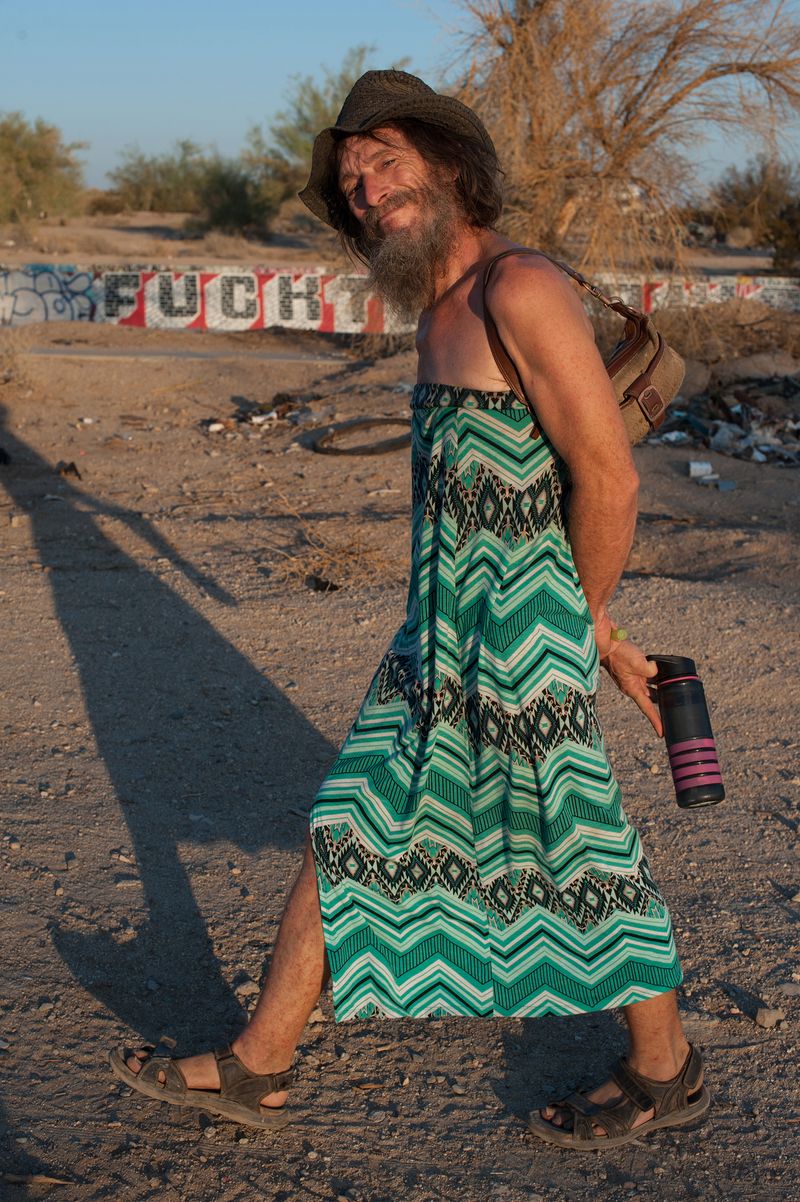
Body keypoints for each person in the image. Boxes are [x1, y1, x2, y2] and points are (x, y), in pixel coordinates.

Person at [111, 69, 709, 1149]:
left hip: (518, 640)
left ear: (444, 166)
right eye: (350, 180)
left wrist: (576, 633)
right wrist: (598, 636)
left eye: (382, 162)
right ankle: (259, 1060)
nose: (365, 189)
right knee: (351, 825)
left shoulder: (516, 289)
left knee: (576, 849)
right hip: (438, 633)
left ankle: (665, 1068)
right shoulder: (436, 310)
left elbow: (606, 481)